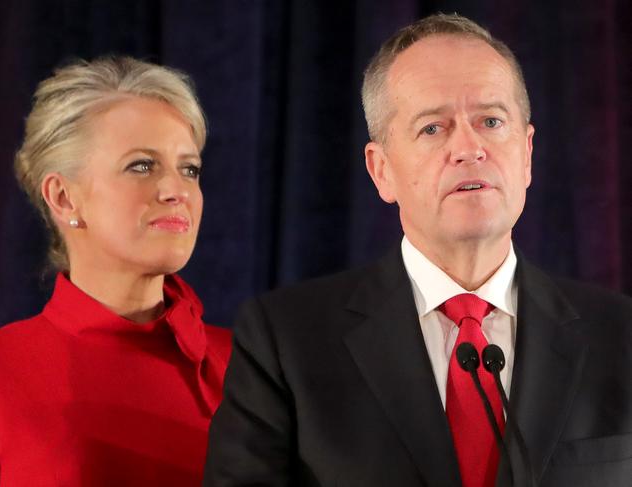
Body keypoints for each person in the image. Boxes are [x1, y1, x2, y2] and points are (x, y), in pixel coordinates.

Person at [204, 13, 632, 487]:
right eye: (433, 128)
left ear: (527, 154)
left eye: (491, 121)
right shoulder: (284, 341)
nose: (469, 148)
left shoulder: (621, 336)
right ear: (380, 169)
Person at [0, 56, 231, 485]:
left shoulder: (249, 366)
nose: (177, 190)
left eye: (189, 169)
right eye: (142, 165)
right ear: (62, 197)